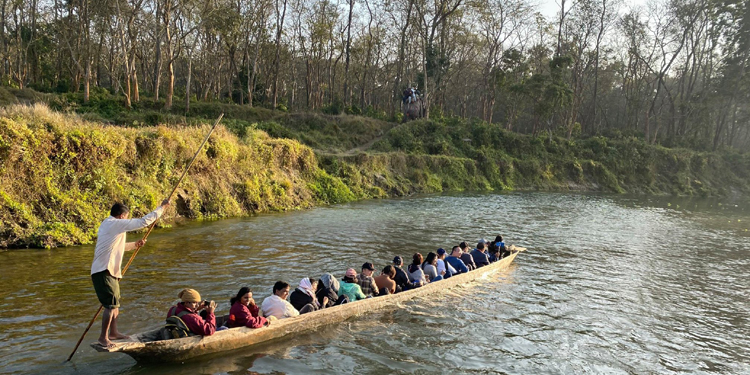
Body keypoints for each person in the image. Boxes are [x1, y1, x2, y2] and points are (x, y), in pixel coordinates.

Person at [91, 199, 169, 348]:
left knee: (116, 303)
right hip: (103, 271)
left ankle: (113, 332)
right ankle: (103, 338)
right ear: (122, 216)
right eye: (126, 217)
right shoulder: (114, 223)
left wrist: (135, 245)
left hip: (107, 270)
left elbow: (117, 247)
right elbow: (143, 222)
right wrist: (162, 208)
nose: (126, 219)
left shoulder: (108, 225)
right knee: (110, 304)